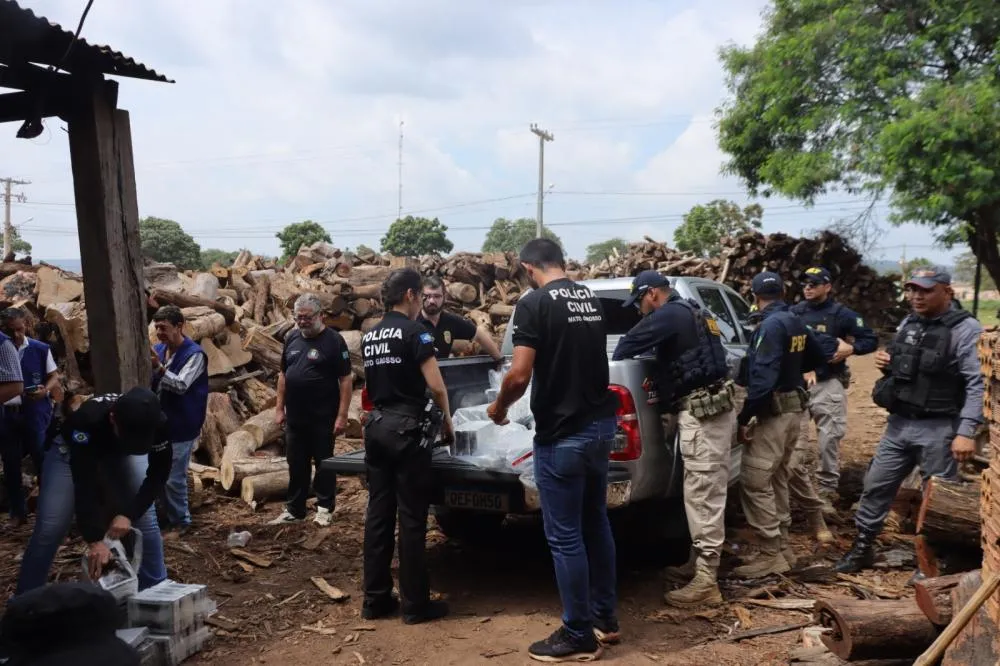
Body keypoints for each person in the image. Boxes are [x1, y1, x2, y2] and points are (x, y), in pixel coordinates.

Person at [487, 239, 619, 662]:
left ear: (528, 268)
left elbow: (519, 374)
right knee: (595, 522)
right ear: (561, 261)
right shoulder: (590, 298)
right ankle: (605, 619)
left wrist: (499, 407)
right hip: (600, 428)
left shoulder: (534, 303)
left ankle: (578, 634)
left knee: (564, 537)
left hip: (563, 434)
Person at [836, 269, 982, 573]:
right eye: (912, 290)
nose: (917, 296)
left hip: (939, 427)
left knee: (937, 499)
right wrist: (886, 364)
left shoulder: (965, 329)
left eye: (926, 291)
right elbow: (905, 366)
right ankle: (863, 547)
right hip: (899, 424)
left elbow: (976, 383)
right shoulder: (910, 322)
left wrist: (966, 431)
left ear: (947, 292)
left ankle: (929, 560)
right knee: (875, 484)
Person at [611, 271, 734, 608]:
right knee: (699, 491)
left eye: (639, 301)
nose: (639, 309)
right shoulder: (693, 310)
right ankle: (697, 565)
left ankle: (707, 582)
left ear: (652, 294)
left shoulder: (668, 315)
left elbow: (625, 346)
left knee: (704, 495)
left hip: (703, 415)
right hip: (709, 409)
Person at [360, 268, 453, 624]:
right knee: (412, 519)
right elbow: (438, 386)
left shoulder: (371, 335)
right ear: (412, 295)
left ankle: (375, 600)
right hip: (408, 430)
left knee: (378, 517)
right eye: (420, 297)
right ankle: (415, 605)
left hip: (377, 426)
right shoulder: (416, 332)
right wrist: (447, 422)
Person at [15, 387, 170, 594]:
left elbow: (159, 474)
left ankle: (158, 594)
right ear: (113, 418)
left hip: (120, 453)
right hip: (71, 452)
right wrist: (95, 539)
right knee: (51, 527)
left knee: (146, 520)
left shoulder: (158, 422)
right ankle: (25, 600)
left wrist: (129, 514)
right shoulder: (87, 421)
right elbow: (84, 481)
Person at [734, 271, 828, 579]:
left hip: (774, 414)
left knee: (754, 479)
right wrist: (794, 370)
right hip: (794, 410)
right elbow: (817, 354)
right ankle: (783, 546)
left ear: (755, 296)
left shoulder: (769, 325)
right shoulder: (794, 319)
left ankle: (770, 552)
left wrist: (746, 415)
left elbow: (762, 378)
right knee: (777, 478)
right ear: (784, 291)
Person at [789, 267, 878, 512]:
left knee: (829, 439)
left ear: (827, 287)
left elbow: (870, 339)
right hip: (797, 385)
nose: (808, 287)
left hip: (828, 383)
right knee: (795, 442)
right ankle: (797, 492)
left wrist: (852, 348)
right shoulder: (794, 313)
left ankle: (826, 491)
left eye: (814, 283)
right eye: (805, 283)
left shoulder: (842, 315)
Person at [271, 294, 353, 527]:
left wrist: (342, 415)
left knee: (324, 463)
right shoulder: (292, 339)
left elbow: (346, 379)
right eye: (298, 317)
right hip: (296, 417)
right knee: (296, 463)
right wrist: (279, 408)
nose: (302, 322)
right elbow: (283, 375)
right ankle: (295, 509)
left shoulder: (334, 341)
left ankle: (325, 508)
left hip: (323, 417)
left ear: (321, 316)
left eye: (307, 317)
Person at [0, 308, 60, 529]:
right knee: (11, 464)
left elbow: (53, 375)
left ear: (26, 324)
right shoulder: (2, 349)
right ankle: (18, 513)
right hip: (8, 414)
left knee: (42, 460)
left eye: (19, 329)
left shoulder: (39, 349)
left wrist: (46, 390)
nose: (16, 335)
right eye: (10, 330)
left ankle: (49, 513)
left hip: (35, 412)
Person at [151, 306, 209, 534]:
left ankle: (181, 521)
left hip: (181, 423)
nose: (159, 333)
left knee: (174, 477)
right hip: (159, 424)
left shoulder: (194, 354)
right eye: (157, 328)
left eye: (164, 328)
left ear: (179, 326)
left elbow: (181, 385)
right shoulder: (159, 349)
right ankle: (163, 516)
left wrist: (158, 368)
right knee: (156, 473)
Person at [418, 276, 503, 361]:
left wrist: (500, 361)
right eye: (428, 296)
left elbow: (479, 335)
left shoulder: (450, 321)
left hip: (443, 371)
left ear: (444, 296)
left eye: (437, 296)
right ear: (421, 296)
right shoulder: (413, 322)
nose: (432, 301)